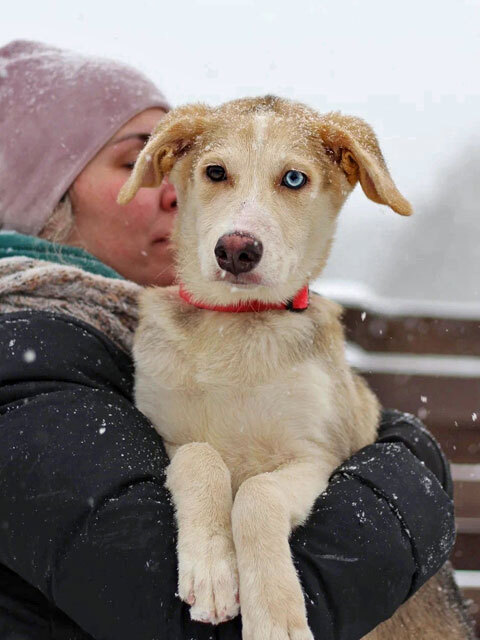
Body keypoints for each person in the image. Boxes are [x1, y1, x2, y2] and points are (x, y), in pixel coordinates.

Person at [0, 40, 456, 640]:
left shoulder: (125, 322)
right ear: (44, 198)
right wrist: (413, 464)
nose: (172, 186)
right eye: (137, 161)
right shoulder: (26, 349)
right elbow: (191, 624)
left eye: (291, 179)